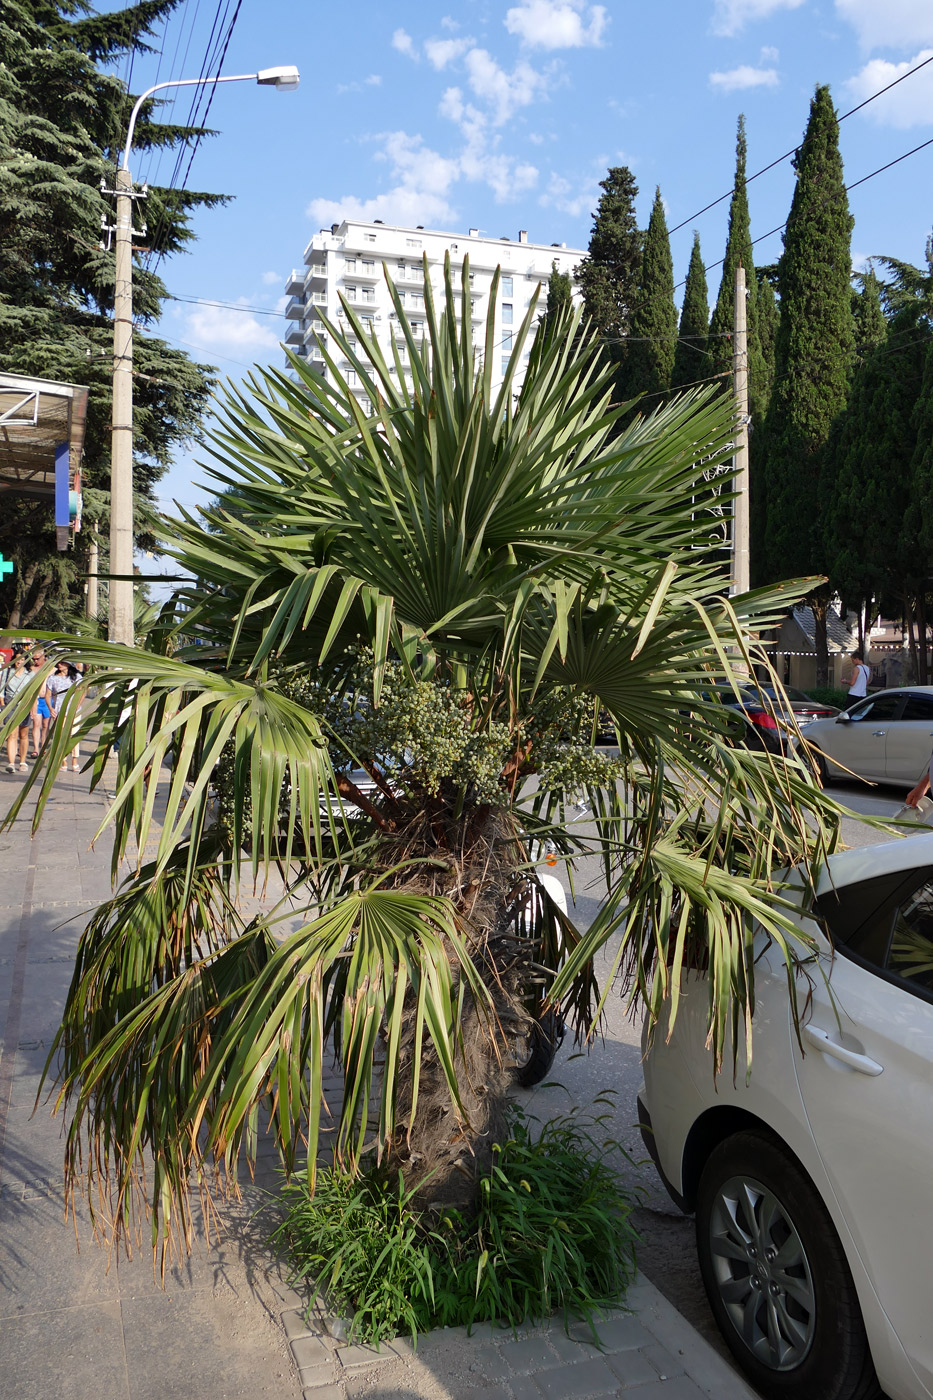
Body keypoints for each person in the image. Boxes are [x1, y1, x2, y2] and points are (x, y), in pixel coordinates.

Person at [1, 649, 33, 773]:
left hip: (24, 705)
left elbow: (33, 692)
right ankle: (11, 763)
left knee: (23, 734)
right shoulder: (7, 672)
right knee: (11, 735)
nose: (20, 661)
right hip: (10, 704)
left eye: (22, 659)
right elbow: (1, 690)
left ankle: (23, 761)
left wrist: (32, 708)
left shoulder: (29, 674)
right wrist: (3, 706)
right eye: (18, 659)